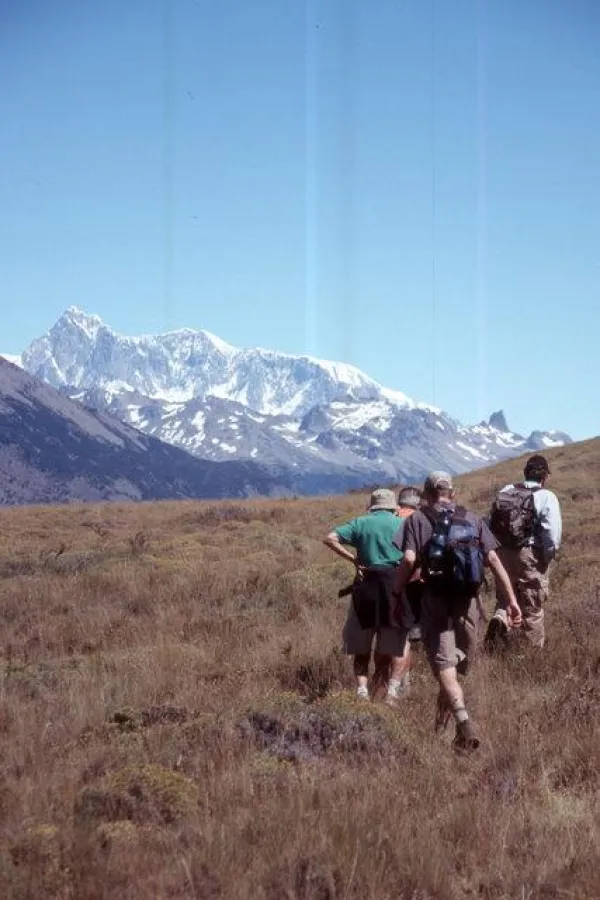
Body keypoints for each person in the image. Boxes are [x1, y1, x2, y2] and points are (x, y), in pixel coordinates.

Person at [391, 471, 522, 752]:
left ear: (426, 494)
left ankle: (463, 723)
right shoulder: (472, 519)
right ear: (453, 493)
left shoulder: (417, 519)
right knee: (455, 668)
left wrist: (395, 591)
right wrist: (511, 600)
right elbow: (494, 559)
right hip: (469, 603)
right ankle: (442, 730)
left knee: (445, 669)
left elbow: (410, 559)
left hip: (435, 601)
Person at [324, 487, 411, 705]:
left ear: (372, 507)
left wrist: (353, 559)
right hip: (395, 587)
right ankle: (392, 691)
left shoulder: (360, 523)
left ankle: (362, 691)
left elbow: (330, 538)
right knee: (397, 644)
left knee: (361, 647)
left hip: (366, 588)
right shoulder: (403, 524)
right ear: (393, 508)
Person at [484, 454, 562, 650]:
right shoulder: (546, 496)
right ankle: (531, 655)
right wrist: (546, 557)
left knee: (505, 597)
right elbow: (552, 534)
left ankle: (501, 619)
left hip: (501, 553)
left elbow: (490, 521)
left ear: (525, 473)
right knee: (532, 607)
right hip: (529, 554)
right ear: (544, 477)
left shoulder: (507, 490)